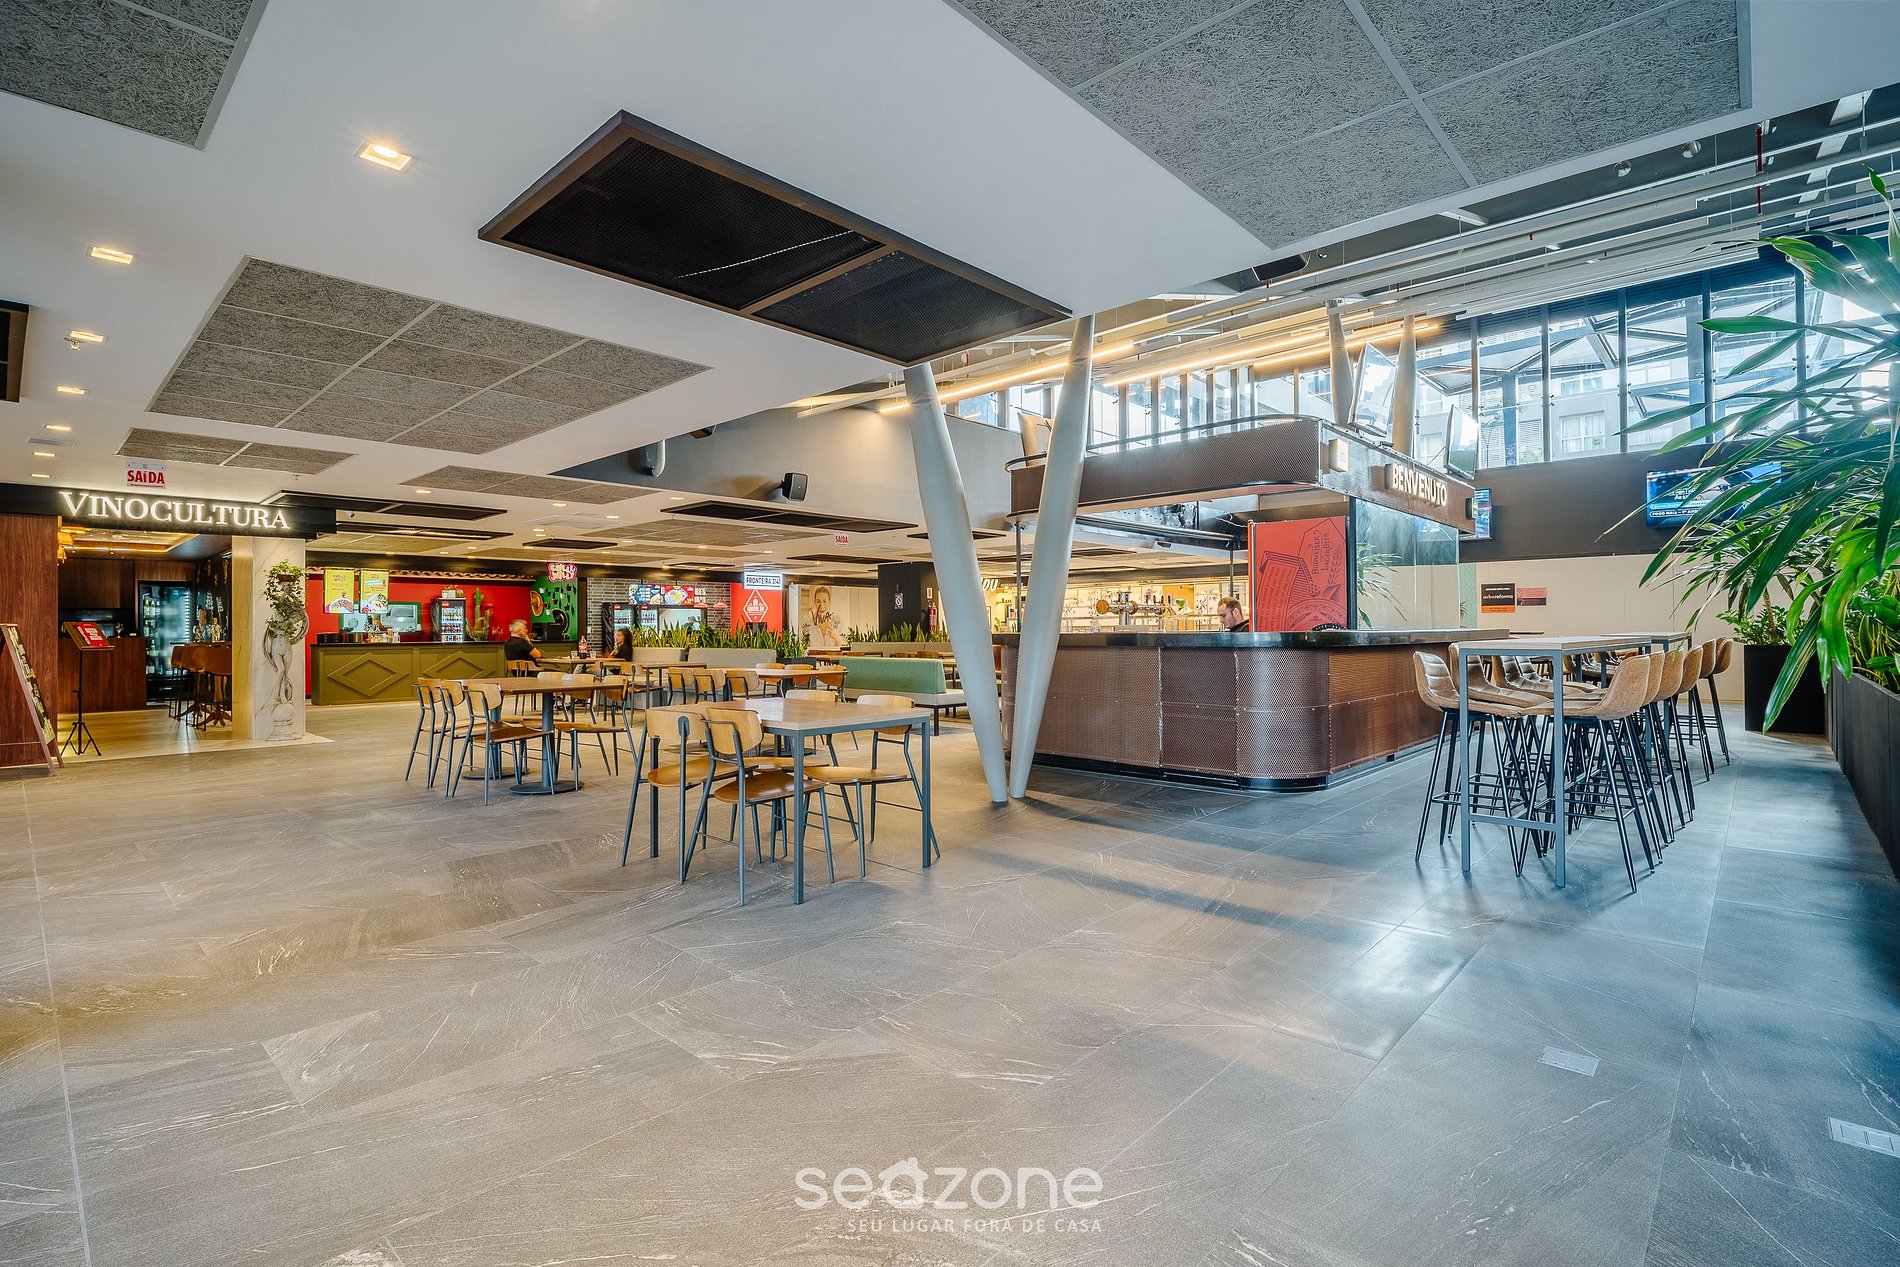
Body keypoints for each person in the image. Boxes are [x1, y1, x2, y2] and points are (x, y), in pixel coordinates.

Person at [804, 584, 843, 651]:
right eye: (818, 601)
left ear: (829, 602)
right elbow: (804, 649)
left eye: (824, 601)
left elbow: (844, 650)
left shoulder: (839, 622)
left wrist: (837, 638)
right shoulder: (809, 625)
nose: (821, 606)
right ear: (814, 602)